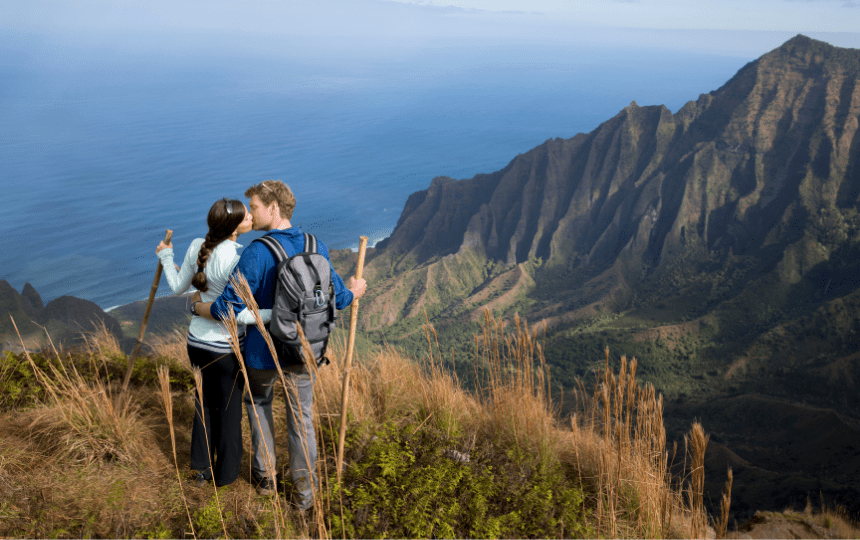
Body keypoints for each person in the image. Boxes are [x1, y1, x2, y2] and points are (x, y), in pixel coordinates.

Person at [192, 180, 367, 510]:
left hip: (262, 354)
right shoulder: (316, 245)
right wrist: (356, 290)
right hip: (305, 351)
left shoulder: (258, 252)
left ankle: (265, 477)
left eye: (254, 206)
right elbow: (338, 298)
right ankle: (304, 498)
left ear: (273, 208)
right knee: (301, 422)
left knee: (258, 403)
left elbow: (226, 308)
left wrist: (201, 308)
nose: (250, 213)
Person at [155, 197, 267, 488]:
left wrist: (167, 257)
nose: (251, 219)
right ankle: (226, 475)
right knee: (229, 411)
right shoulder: (237, 259)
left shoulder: (196, 246)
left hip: (196, 342)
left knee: (203, 404)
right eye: (245, 217)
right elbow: (238, 315)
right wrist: (274, 314)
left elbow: (178, 287)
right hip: (226, 348)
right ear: (233, 228)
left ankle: (201, 469)